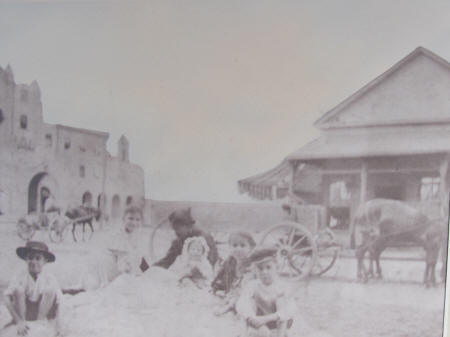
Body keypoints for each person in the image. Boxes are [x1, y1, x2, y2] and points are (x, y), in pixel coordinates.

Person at [3, 241, 62, 336]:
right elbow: (6, 297)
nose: (34, 262)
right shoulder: (20, 275)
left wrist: (58, 324)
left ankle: (40, 322)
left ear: (45, 261)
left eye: (38, 258)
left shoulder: (49, 277)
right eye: (30, 258)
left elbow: (60, 301)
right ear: (26, 259)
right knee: (18, 289)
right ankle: (22, 321)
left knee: (50, 290)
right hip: (24, 311)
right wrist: (18, 320)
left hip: (41, 311)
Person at [236, 247, 296, 337]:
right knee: (248, 304)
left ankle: (281, 335)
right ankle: (243, 334)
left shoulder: (283, 286)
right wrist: (255, 320)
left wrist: (266, 319)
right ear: (255, 270)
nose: (264, 272)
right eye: (260, 268)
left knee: (281, 300)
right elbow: (241, 304)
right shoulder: (252, 285)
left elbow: (290, 309)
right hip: (258, 321)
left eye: (268, 267)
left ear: (276, 267)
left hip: (277, 321)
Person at [153, 208, 218, 269]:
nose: (176, 233)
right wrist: (152, 268)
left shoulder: (203, 239)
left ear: (187, 225)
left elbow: (210, 263)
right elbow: (168, 259)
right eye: (174, 229)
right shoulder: (182, 238)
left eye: (177, 229)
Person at [212, 231, 256, 316]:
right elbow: (221, 275)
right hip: (233, 290)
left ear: (251, 248)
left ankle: (227, 308)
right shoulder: (230, 261)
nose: (238, 249)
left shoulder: (252, 264)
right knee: (225, 295)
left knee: (241, 299)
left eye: (242, 245)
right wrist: (217, 286)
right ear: (229, 247)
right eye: (235, 245)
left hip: (247, 291)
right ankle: (229, 304)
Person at [108, 205, 150, 276]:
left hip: (131, 272)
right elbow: (113, 261)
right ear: (123, 219)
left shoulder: (137, 236)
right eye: (130, 218)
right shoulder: (117, 236)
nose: (134, 223)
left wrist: (148, 272)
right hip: (117, 273)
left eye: (137, 219)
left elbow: (139, 258)